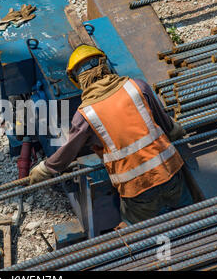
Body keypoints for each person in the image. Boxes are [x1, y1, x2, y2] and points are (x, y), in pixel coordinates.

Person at [29, 45, 191, 226]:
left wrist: (46, 169)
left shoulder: (85, 114)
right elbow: (167, 125)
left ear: (77, 80)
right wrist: (177, 130)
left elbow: (69, 151)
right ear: (104, 64)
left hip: (137, 189)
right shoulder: (136, 86)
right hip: (170, 172)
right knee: (189, 219)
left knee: (138, 232)